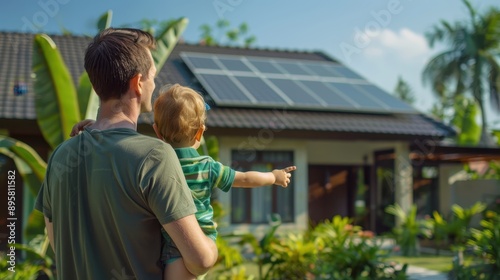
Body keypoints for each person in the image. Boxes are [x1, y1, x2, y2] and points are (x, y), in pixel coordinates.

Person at [35, 28, 217, 279]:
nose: (154, 85)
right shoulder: (155, 156)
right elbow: (199, 260)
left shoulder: (60, 156)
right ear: (138, 82)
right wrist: (211, 243)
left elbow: (58, 244)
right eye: (152, 76)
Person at [72, 83, 297, 279]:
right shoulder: (207, 166)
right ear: (199, 133)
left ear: (157, 132)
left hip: (176, 246)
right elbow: (246, 178)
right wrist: (273, 177)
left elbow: (121, 140)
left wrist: (95, 127)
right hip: (197, 238)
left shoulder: (153, 161)